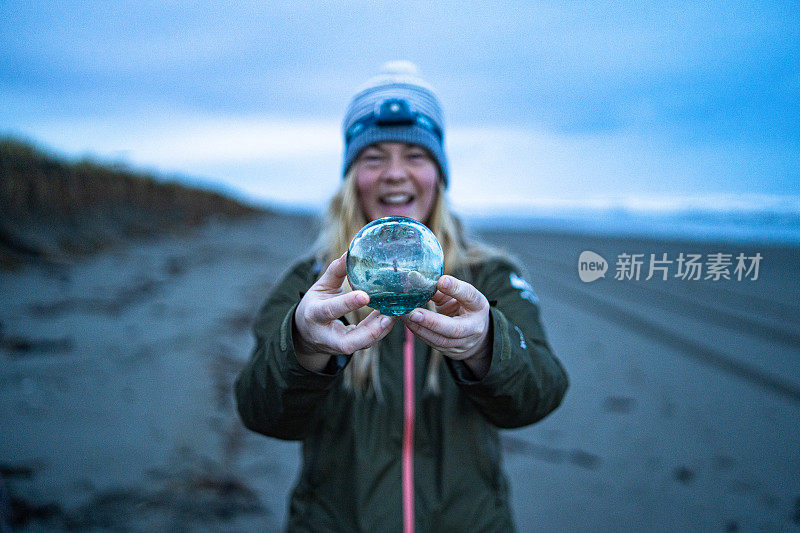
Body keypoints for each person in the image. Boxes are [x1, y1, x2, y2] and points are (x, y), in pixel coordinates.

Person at [235, 61, 568, 532]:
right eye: (374, 158)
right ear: (351, 176)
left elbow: (541, 394)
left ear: (438, 172)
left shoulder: (488, 276)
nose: (395, 174)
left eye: (415, 154)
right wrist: (304, 345)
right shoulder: (312, 285)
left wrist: (485, 344)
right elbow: (259, 411)